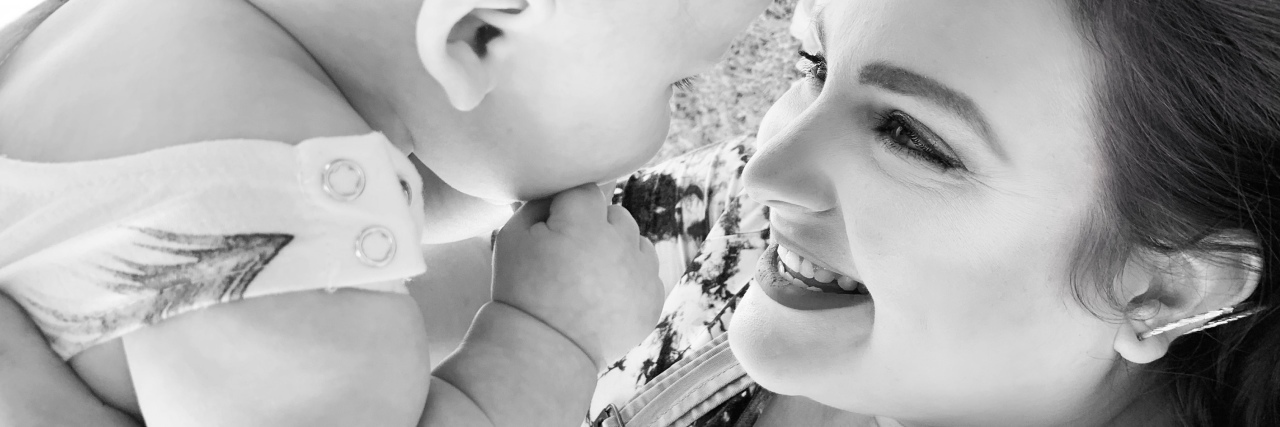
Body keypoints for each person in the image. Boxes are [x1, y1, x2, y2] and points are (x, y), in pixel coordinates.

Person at [0, 0, 768, 426]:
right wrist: (550, 336)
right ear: (480, 32)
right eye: (674, 85)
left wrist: (410, 191)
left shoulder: (98, 33)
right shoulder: (298, 292)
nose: (667, 130)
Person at [586, 0, 1280, 426]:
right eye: (813, 64)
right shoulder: (738, 220)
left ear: (1164, 287)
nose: (767, 172)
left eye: (909, 137)